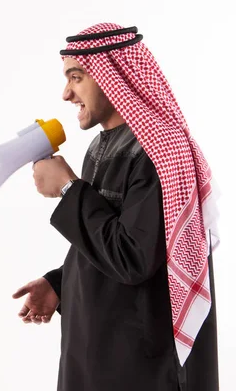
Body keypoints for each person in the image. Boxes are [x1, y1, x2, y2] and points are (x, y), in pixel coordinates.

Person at [12, 23, 220, 391]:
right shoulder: (104, 145)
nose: (65, 93)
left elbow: (134, 257)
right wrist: (61, 283)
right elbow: (113, 233)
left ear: (115, 77)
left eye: (76, 77)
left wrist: (68, 188)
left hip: (140, 365)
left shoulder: (161, 153)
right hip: (96, 353)